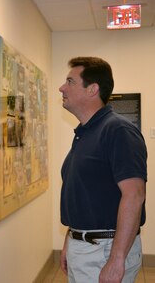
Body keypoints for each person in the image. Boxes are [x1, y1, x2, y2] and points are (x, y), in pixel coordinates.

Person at [59, 57, 147, 283]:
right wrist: (71, 240)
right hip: (85, 246)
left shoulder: (118, 130)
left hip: (105, 251)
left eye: (70, 81)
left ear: (93, 89)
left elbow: (134, 195)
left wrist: (117, 260)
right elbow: (85, 195)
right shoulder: (86, 133)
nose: (62, 87)